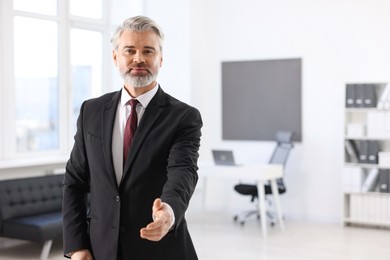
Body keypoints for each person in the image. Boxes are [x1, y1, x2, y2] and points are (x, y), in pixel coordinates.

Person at [62, 15, 202, 260]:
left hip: (160, 249)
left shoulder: (183, 117)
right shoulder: (91, 111)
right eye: (130, 50)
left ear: (161, 59)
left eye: (148, 51)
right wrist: (77, 246)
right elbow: (74, 182)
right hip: (101, 249)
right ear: (116, 57)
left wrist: (168, 211)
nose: (139, 59)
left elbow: (183, 171)